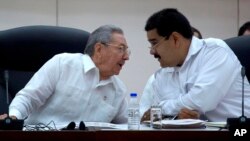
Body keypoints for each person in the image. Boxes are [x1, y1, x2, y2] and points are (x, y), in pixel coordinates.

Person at [0, 24, 130, 125]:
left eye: (127, 51)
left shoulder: (118, 90)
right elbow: (28, 98)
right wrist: (13, 118)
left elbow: (128, 125)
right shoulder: (63, 64)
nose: (126, 57)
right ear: (99, 49)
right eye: (120, 49)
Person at [141, 8, 250, 122]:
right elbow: (157, 119)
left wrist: (162, 108)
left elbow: (200, 101)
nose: (152, 51)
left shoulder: (215, 51)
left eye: (154, 43)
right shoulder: (162, 74)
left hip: (237, 130)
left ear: (175, 39)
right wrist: (176, 115)